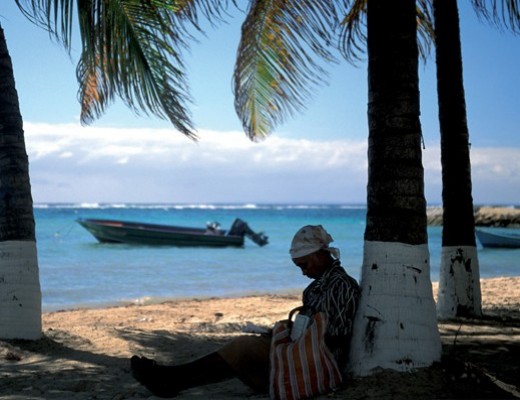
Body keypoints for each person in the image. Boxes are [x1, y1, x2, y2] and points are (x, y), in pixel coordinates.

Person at [131, 225, 360, 398]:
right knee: (243, 350)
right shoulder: (315, 288)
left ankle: (172, 380)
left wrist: (292, 342)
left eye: (305, 265)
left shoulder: (341, 286)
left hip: (316, 363)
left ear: (320, 255)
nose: (303, 273)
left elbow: (336, 338)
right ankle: (172, 379)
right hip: (301, 352)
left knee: (243, 349)